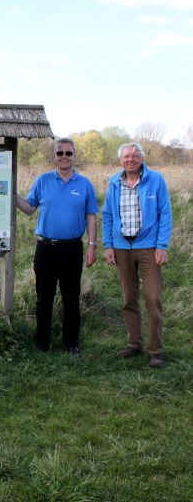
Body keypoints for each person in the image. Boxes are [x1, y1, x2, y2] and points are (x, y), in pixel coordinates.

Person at [16, 138, 98, 354]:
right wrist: (12, 194)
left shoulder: (84, 184)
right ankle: (42, 343)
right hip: (46, 249)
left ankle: (71, 343)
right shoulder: (42, 181)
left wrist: (92, 245)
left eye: (68, 153)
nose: (64, 157)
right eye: (60, 153)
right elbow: (29, 208)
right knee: (44, 298)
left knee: (71, 298)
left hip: (72, 250)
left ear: (74, 156)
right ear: (54, 156)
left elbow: (91, 216)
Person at [103, 142, 172, 369]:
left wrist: (161, 245)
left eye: (134, 155)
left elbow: (165, 213)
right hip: (122, 248)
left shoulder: (156, 180)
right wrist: (108, 245)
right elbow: (108, 216)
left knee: (153, 298)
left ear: (142, 158)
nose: (130, 159)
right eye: (126, 156)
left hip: (149, 247)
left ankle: (156, 350)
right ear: (121, 160)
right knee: (128, 298)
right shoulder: (114, 182)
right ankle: (134, 343)